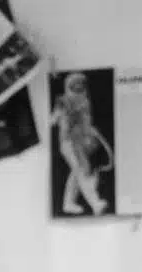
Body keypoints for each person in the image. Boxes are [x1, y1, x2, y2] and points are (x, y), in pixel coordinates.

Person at [50, 71, 111, 216]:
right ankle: (95, 203)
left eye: (81, 84)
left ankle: (68, 203)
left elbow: (86, 124)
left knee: (76, 173)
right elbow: (52, 120)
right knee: (81, 171)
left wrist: (91, 133)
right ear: (69, 86)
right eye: (75, 84)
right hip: (68, 142)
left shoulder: (85, 102)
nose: (78, 86)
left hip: (82, 143)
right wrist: (58, 115)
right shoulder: (62, 101)